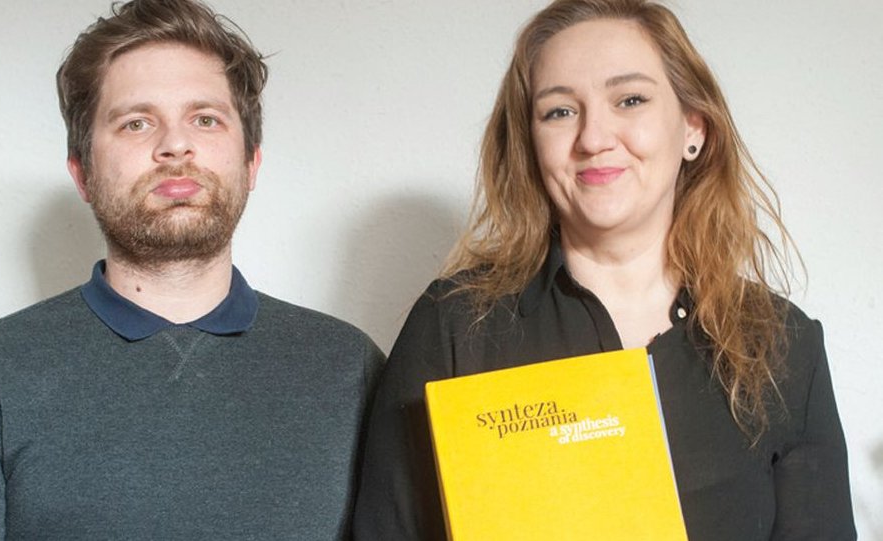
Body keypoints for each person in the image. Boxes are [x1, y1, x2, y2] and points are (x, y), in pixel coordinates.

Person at [353, 0, 856, 539]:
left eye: (630, 99)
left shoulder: (782, 345)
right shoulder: (453, 325)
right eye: (559, 111)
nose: (593, 138)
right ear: (530, 143)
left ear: (694, 128)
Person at [0, 0, 383, 539]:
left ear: (251, 163)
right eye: (137, 123)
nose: (175, 145)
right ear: (84, 174)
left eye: (205, 119)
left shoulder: (352, 367)